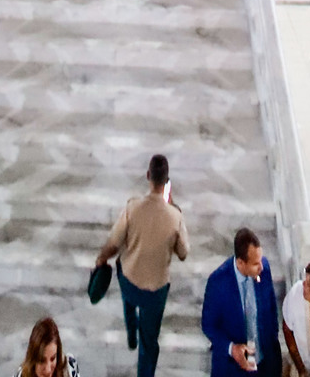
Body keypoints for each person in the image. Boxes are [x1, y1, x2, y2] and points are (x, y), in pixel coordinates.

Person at [95, 153, 189, 377]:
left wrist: (100, 259)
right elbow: (184, 253)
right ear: (167, 182)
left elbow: (114, 243)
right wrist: (173, 206)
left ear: (148, 176)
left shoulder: (132, 208)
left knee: (123, 270)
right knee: (150, 343)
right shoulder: (175, 217)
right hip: (155, 292)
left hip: (129, 282)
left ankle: (130, 334)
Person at [201, 227, 281, 377]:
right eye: (255, 263)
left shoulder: (264, 269)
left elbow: (271, 308)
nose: (261, 267)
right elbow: (208, 325)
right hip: (232, 369)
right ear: (240, 263)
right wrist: (232, 349)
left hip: (265, 364)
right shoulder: (218, 283)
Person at [15, 316, 80, 377]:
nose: (48, 370)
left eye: (53, 358)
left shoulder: (70, 369)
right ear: (33, 359)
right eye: (42, 361)